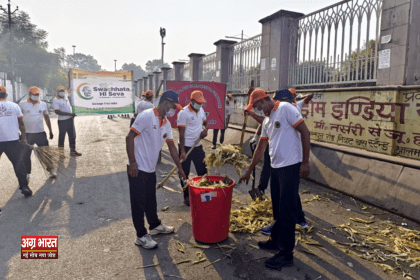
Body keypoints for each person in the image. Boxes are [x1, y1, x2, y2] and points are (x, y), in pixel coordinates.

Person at [239, 88, 311, 270]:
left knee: (286, 211)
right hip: (277, 168)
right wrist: (249, 169)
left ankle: (286, 254)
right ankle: (275, 240)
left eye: (256, 107)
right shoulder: (267, 120)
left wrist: (305, 162)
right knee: (277, 208)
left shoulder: (286, 108)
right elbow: (261, 148)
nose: (256, 110)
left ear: (261, 102)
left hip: (291, 166)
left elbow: (305, 132)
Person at [126, 90, 186, 249]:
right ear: (166, 104)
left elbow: (172, 147)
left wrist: (179, 168)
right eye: (173, 107)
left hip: (150, 169)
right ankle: (140, 236)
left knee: (150, 199)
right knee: (138, 203)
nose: (174, 110)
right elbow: (129, 137)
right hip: (137, 168)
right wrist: (132, 162)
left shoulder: (165, 122)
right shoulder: (146, 116)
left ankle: (154, 225)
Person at [177, 90, 209, 206]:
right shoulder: (183, 113)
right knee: (184, 173)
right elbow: (181, 134)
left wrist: (205, 130)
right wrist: (182, 151)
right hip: (185, 146)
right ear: (191, 101)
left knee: (203, 171)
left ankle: (204, 193)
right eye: (198, 102)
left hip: (197, 146)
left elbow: (206, 123)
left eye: (201, 102)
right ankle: (186, 196)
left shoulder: (201, 110)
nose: (200, 105)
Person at [0, 86, 32, 197]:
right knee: (19, 164)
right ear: (6, 95)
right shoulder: (14, 106)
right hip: (12, 141)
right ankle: (24, 187)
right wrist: (24, 138)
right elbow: (21, 123)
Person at [19, 86, 57, 179]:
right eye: (35, 94)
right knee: (25, 154)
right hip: (27, 134)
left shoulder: (43, 104)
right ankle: (27, 173)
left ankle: (51, 169)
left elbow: (46, 117)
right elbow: (18, 119)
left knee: (46, 152)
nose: (36, 96)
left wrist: (50, 131)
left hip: (40, 133)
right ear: (30, 94)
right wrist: (21, 133)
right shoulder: (22, 104)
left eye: (38, 94)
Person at [53, 86, 81, 156]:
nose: (62, 92)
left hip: (70, 120)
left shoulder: (65, 97)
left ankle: (73, 151)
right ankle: (61, 153)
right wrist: (69, 114)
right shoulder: (55, 100)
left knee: (72, 136)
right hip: (62, 121)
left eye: (63, 91)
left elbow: (71, 90)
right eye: (60, 91)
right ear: (57, 92)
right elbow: (57, 112)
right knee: (62, 137)